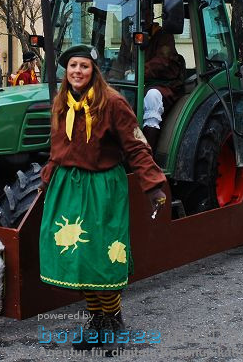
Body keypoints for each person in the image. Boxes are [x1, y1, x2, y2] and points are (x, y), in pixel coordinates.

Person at [38, 45, 167, 354]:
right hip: (68, 186)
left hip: (101, 188)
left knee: (102, 260)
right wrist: (47, 180)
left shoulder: (113, 103)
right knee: (77, 260)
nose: (77, 71)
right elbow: (57, 149)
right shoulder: (61, 103)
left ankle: (113, 322)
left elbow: (136, 146)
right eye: (72, 66)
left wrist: (153, 185)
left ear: (93, 70)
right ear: (66, 70)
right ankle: (97, 321)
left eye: (83, 66)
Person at [142, 23, 185, 149]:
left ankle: (147, 156)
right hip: (136, 83)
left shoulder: (164, 35)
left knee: (152, 97)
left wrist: (138, 72)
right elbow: (122, 61)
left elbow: (162, 62)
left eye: (144, 8)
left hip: (163, 84)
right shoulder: (128, 34)